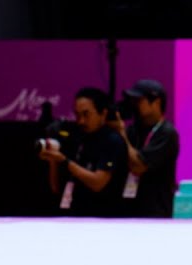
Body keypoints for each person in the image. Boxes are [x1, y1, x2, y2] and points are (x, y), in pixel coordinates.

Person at [39, 87, 128, 217]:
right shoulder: (77, 138)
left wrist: (64, 161)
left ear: (103, 113)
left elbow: (98, 183)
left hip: (105, 219)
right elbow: (56, 187)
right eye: (77, 115)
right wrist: (53, 158)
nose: (81, 121)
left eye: (86, 114)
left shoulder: (112, 141)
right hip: (75, 216)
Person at [110, 79, 181, 218]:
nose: (134, 105)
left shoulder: (166, 133)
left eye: (138, 101)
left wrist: (121, 133)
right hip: (127, 211)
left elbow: (139, 166)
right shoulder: (133, 130)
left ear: (156, 103)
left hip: (154, 214)